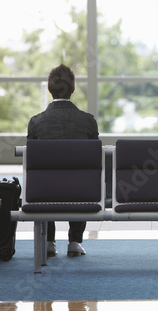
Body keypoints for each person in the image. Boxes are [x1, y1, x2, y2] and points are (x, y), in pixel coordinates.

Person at [27, 64, 99, 257]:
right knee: (80, 176)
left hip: (45, 193)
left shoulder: (36, 123)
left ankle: (49, 241)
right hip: (81, 193)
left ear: (49, 89)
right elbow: (94, 163)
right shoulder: (88, 122)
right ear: (73, 89)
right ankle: (75, 241)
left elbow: (33, 166)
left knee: (47, 178)